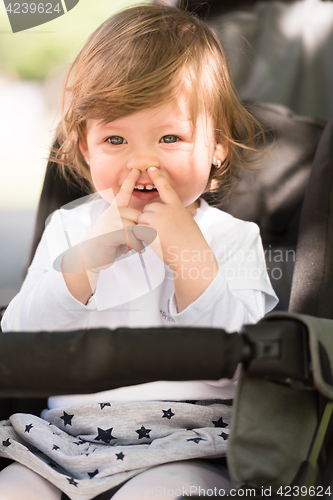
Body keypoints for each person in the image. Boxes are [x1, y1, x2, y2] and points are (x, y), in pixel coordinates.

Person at [0, 4, 278, 500]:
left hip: (190, 446)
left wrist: (188, 255)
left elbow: (242, 362)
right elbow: (18, 343)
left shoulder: (234, 237)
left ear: (216, 145)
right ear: (86, 148)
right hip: (63, 442)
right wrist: (88, 258)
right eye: (115, 139)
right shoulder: (68, 227)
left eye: (169, 137)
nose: (142, 161)